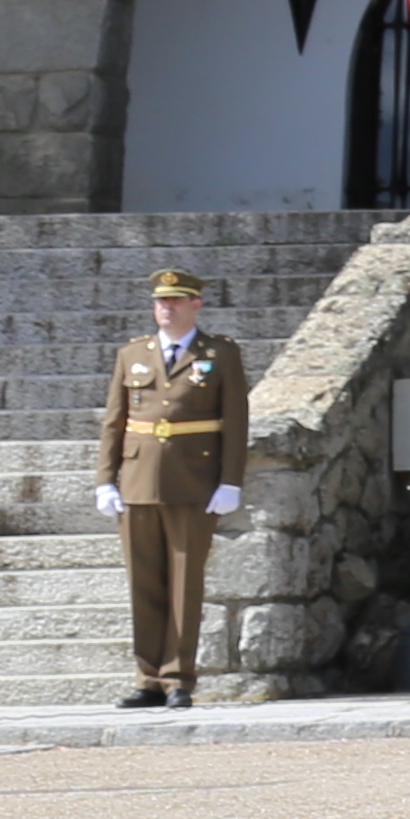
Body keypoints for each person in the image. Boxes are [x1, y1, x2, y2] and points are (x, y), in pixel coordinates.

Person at [91, 268, 248, 711]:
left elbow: (236, 421)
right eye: (162, 301)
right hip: (138, 480)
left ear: (196, 304)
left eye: (177, 301)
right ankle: (148, 678)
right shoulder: (132, 354)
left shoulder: (219, 353)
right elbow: (115, 422)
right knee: (144, 584)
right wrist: (105, 480)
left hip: (193, 480)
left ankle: (178, 677)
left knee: (184, 584)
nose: (167, 308)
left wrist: (230, 480)